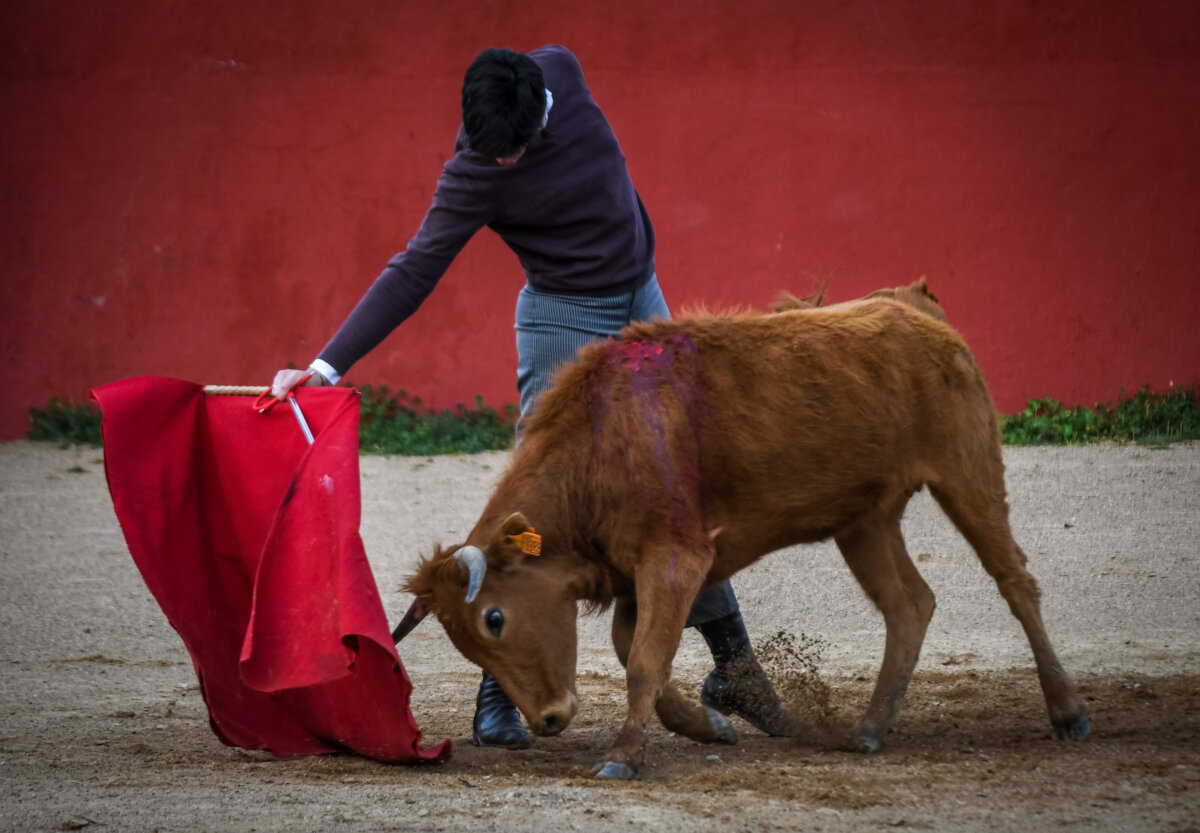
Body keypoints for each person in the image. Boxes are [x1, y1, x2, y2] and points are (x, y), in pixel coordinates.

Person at [271, 45, 798, 749]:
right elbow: (415, 268)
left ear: (540, 106)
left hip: (644, 302)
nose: (503, 164)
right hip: (563, 321)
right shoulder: (474, 171)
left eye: (513, 152)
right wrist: (325, 367)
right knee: (536, 500)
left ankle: (732, 665)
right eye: (491, 154)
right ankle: (498, 680)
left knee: (682, 488)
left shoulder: (565, 69)